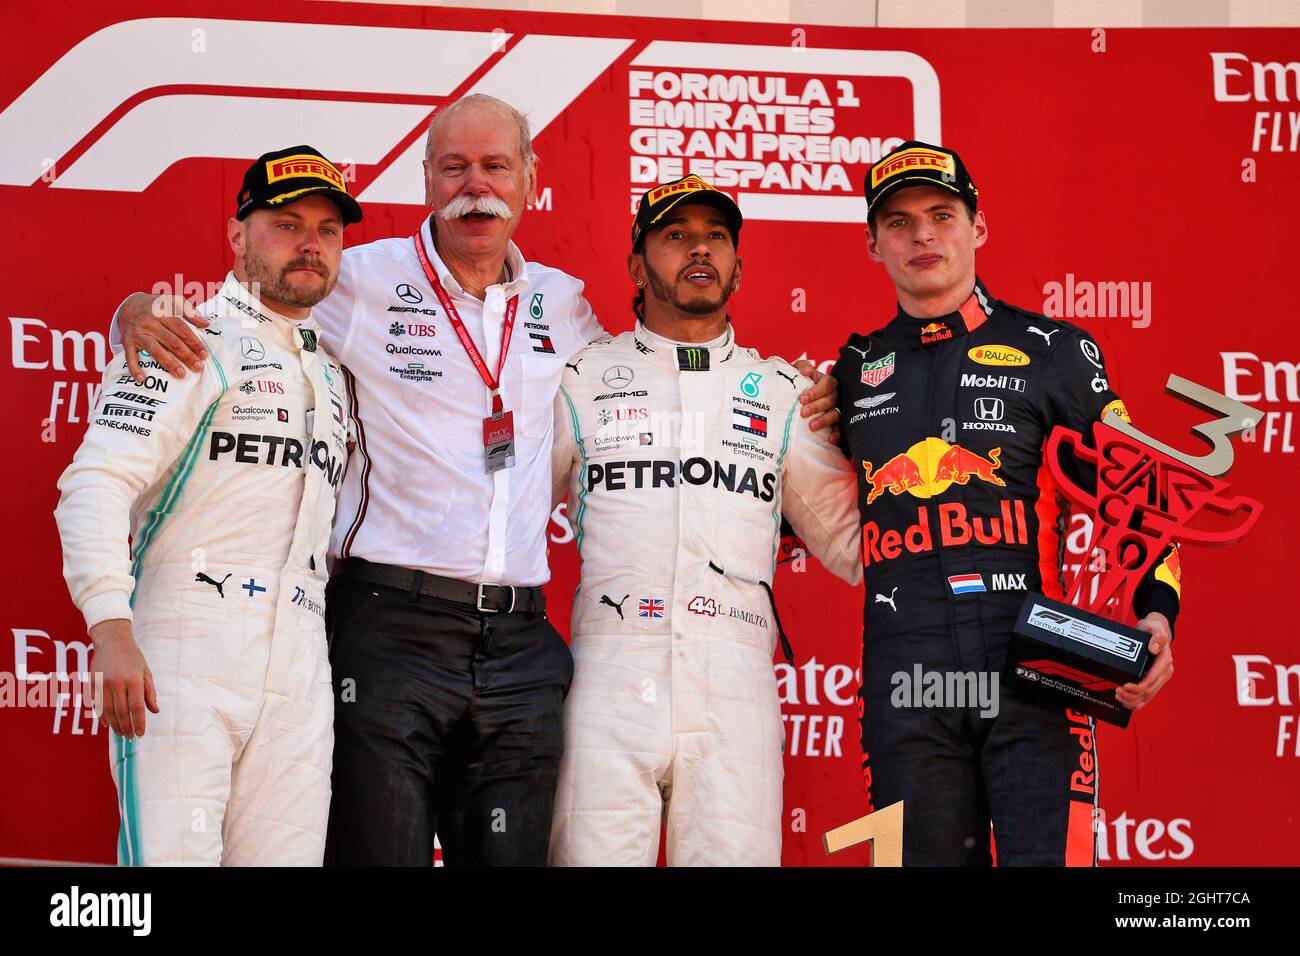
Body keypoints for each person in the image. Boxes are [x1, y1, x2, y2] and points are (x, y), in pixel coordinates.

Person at [110, 95, 847, 865]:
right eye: (455, 166)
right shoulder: (356, 279)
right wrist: (136, 311)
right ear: (426, 178)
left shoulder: (562, 307)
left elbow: (662, 379)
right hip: (389, 627)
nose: (476, 184)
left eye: (496, 165)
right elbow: (240, 317)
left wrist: (789, 400)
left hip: (520, 647)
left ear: (529, 180)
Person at [832, 141, 1183, 866]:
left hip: (1034, 667)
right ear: (873, 244)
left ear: (977, 228)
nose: (922, 235)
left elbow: (1138, 489)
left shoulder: (1054, 348)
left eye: (941, 215)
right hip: (908, 678)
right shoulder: (852, 371)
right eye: (898, 223)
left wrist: (1157, 611)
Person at [55, 145, 358, 865]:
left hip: (302, 665)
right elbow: (95, 484)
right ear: (237, 235)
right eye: (286, 223)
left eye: (327, 229)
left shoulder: (337, 373)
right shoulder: (183, 338)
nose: (309, 244)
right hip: (185, 646)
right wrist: (111, 628)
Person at [548, 175, 863, 866]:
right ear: (637, 264)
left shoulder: (784, 394)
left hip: (735, 677)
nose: (699, 249)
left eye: (716, 237)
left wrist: (901, 437)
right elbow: (496, 516)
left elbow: (857, 546)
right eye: (675, 236)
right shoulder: (579, 377)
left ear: (739, 267)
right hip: (609, 669)